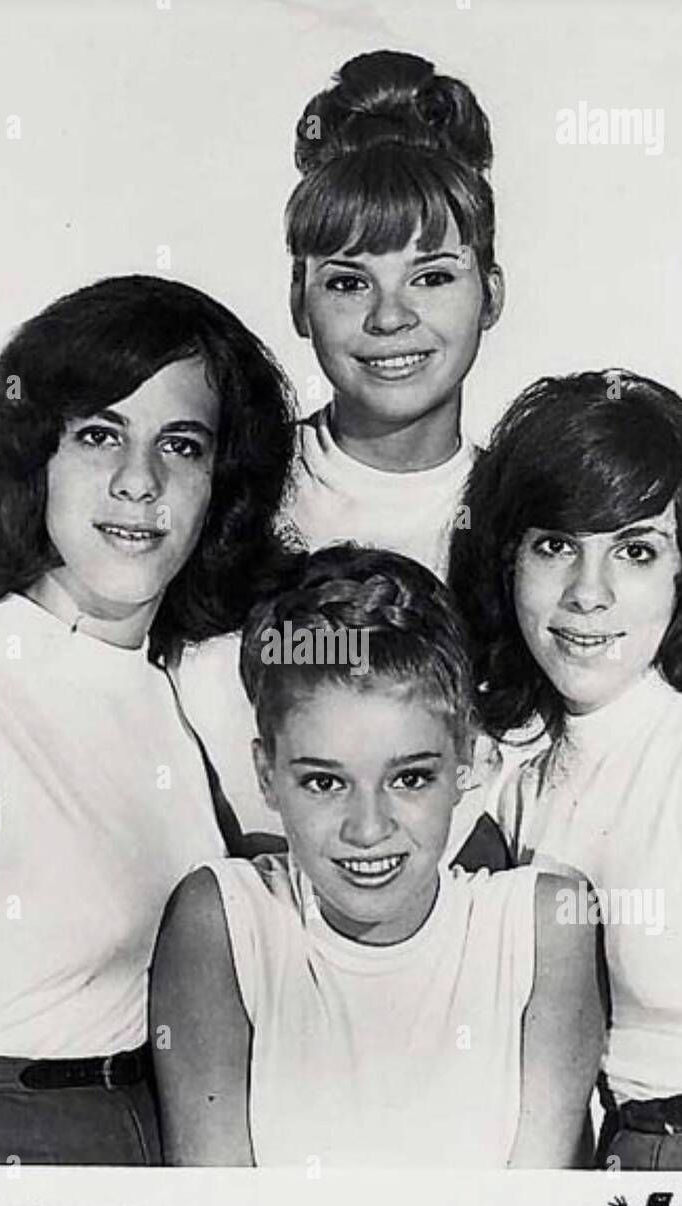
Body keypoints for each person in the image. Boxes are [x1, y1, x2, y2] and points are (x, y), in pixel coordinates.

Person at [0, 274, 295, 1165]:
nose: (138, 481)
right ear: (35, 459)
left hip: (149, 1147)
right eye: (98, 435)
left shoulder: (161, 691)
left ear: (219, 486)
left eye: (183, 446)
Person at [449, 369, 682, 1170]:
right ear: (505, 562)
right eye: (554, 546)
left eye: (634, 550)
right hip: (618, 1178)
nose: (588, 594)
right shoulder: (520, 788)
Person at [151, 546, 603, 1168]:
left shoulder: (543, 927)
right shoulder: (223, 922)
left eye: (411, 778)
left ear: (465, 760)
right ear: (266, 774)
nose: (368, 829)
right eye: (324, 782)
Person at [175, 49, 508, 855]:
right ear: (298, 300)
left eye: (431, 277)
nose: (390, 318)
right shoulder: (226, 489)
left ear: (490, 293)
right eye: (348, 281)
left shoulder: (526, 518)